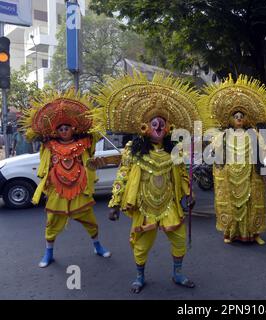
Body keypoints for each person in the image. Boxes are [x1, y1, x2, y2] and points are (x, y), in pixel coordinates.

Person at [94, 72, 203, 293]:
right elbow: (122, 176)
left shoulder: (175, 151)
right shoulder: (132, 152)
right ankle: (139, 277)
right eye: (154, 124)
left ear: (168, 128)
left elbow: (182, 175)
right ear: (145, 127)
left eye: (162, 124)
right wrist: (114, 204)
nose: (158, 127)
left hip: (169, 204)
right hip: (144, 205)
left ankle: (178, 273)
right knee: (142, 246)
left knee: (180, 239)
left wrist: (188, 193)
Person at [21, 89, 111, 268]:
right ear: (56, 130)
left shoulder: (84, 144)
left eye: (67, 128)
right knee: (52, 222)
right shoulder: (49, 146)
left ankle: (97, 246)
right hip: (57, 191)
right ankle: (49, 253)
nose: (64, 131)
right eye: (60, 129)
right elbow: (42, 159)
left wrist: (95, 119)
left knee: (91, 220)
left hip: (80, 190)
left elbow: (97, 132)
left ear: (73, 128)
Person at [199, 74, 266, 245]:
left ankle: (253, 233)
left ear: (246, 119)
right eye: (235, 116)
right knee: (231, 205)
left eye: (241, 116)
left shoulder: (254, 134)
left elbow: (263, 155)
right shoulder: (223, 135)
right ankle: (230, 232)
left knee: (252, 203)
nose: (238, 119)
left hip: (250, 175)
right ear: (229, 119)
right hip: (230, 176)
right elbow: (215, 153)